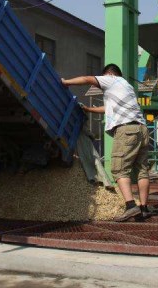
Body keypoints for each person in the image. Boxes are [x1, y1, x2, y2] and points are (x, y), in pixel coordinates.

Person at [61, 64, 150, 222]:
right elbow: (107, 108)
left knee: (119, 169)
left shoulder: (111, 79)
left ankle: (131, 207)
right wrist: (88, 109)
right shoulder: (126, 86)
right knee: (142, 170)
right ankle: (144, 208)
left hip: (126, 130)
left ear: (108, 74)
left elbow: (88, 79)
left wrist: (66, 82)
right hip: (142, 130)